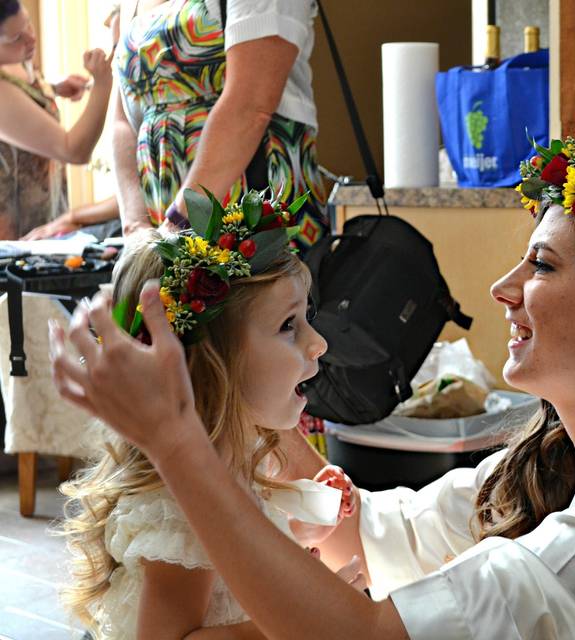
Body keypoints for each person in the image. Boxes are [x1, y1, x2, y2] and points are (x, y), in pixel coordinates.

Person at [50, 135, 575, 639]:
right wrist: (243, 391)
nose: (502, 289)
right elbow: (381, 530)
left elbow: (363, 635)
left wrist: (180, 439)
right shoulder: (556, 458)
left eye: (542, 265)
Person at [57, 190, 358, 638]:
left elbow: (243, 546)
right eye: (288, 325)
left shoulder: (242, 453)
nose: (319, 343)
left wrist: (303, 531)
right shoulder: (180, 511)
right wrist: (311, 618)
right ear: (210, 366)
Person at [113, 0, 326, 246]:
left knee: (261, 282)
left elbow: (251, 105)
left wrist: (176, 223)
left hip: (250, 201)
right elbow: (121, 120)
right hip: (163, 217)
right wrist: (135, 226)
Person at [0, 0, 116, 239]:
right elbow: (74, 150)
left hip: (46, 214)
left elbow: (22, 90)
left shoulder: (17, 60)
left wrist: (51, 87)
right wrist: (103, 84)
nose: (31, 38)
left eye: (28, 24)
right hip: (15, 238)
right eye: (16, 38)